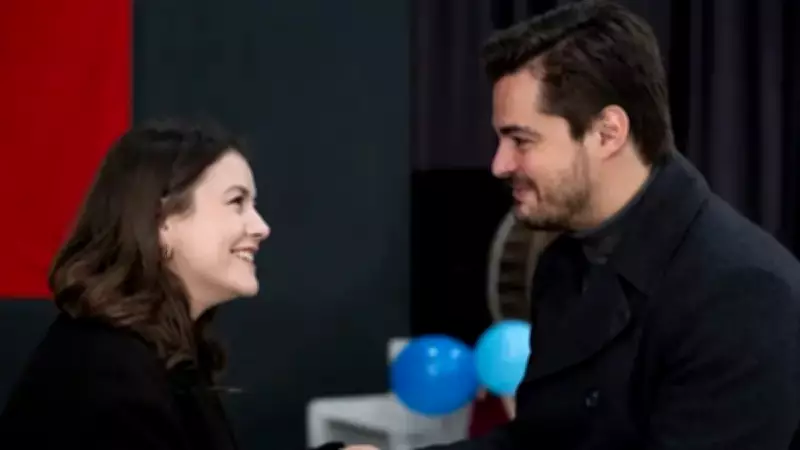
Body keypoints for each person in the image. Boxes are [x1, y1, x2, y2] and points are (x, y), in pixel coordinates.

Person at [354, 1, 800, 449]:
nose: (499, 164)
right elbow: (538, 441)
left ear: (607, 133)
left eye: (521, 140)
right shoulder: (565, 263)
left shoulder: (742, 293)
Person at [0, 120, 344, 450]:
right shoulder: (111, 374)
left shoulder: (147, 349)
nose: (261, 227)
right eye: (236, 202)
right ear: (162, 221)